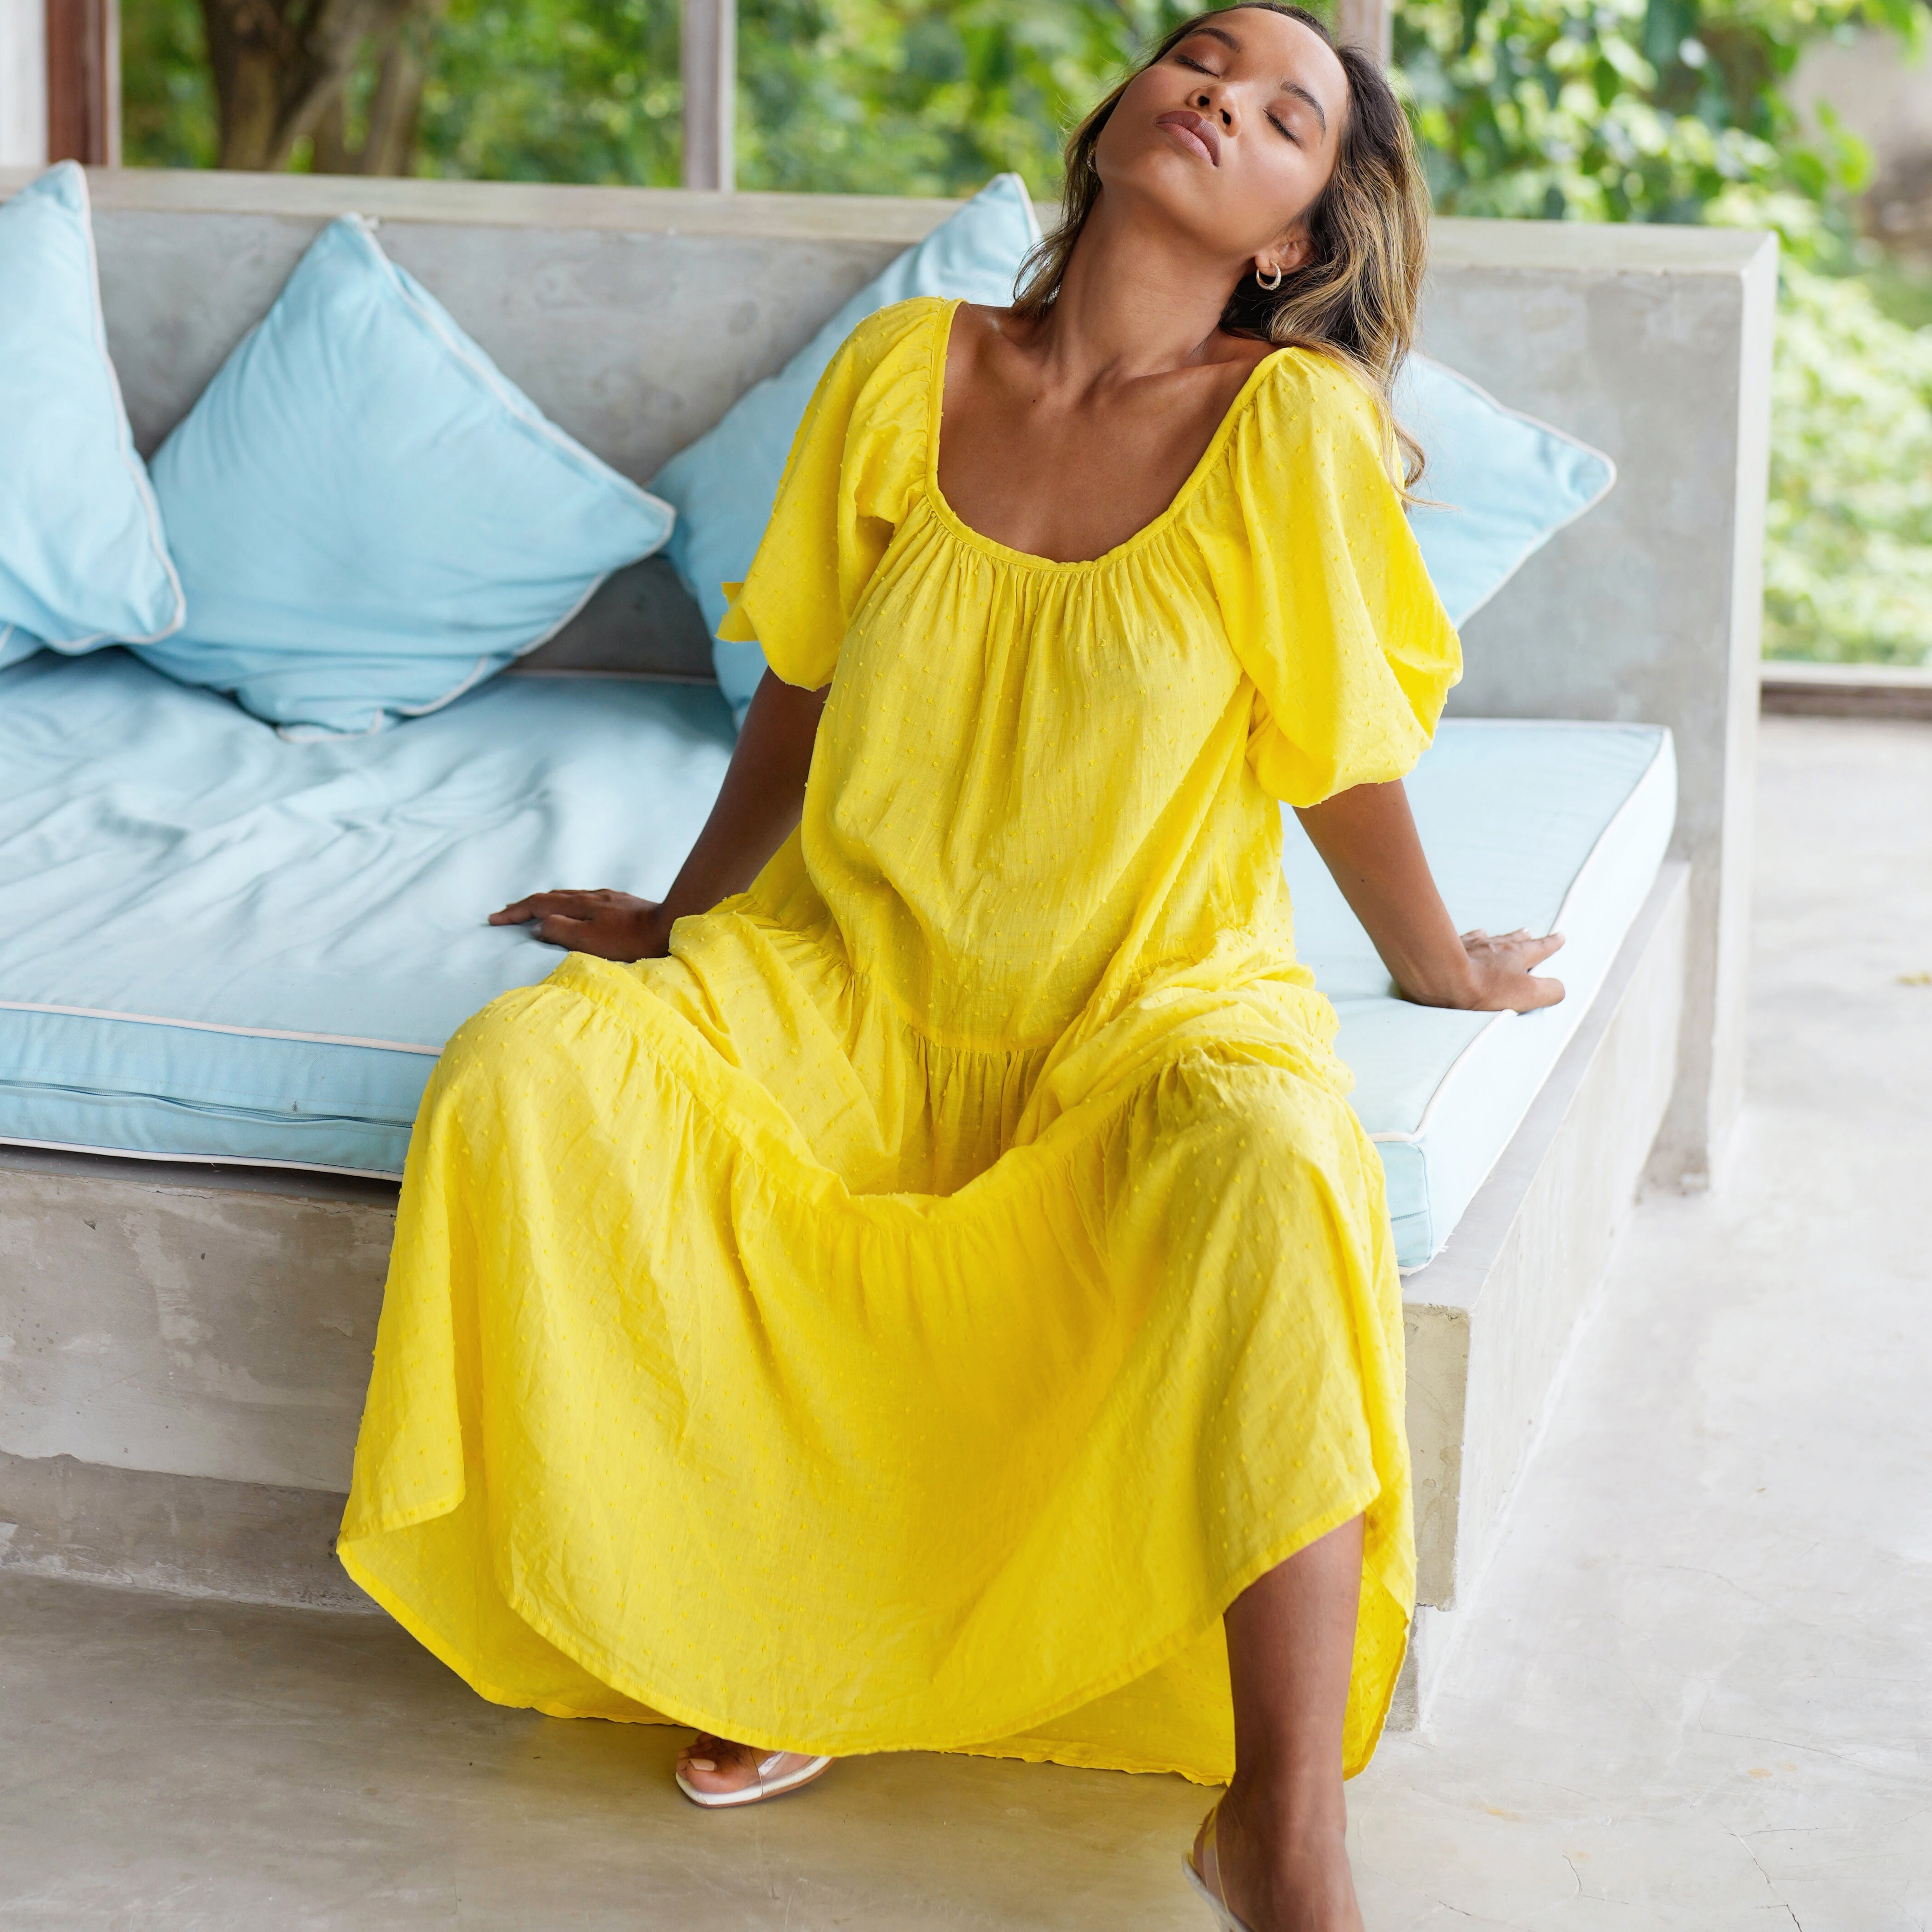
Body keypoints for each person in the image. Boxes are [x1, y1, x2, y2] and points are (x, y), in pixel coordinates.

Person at [337, 7, 1565, 1927]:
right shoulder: (906, 368)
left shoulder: (1288, 430)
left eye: (1288, 107)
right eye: (1200, 53)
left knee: (1273, 1171)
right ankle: (779, 1632)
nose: (1224, 88)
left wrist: (1440, 965)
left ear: (1294, 236)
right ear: (1118, 114)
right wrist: (675, 919)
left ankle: (1283, 1829)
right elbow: (802, 693)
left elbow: (1342, 757)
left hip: (1142, 997)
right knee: (535, 1071)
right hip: (854, 974)